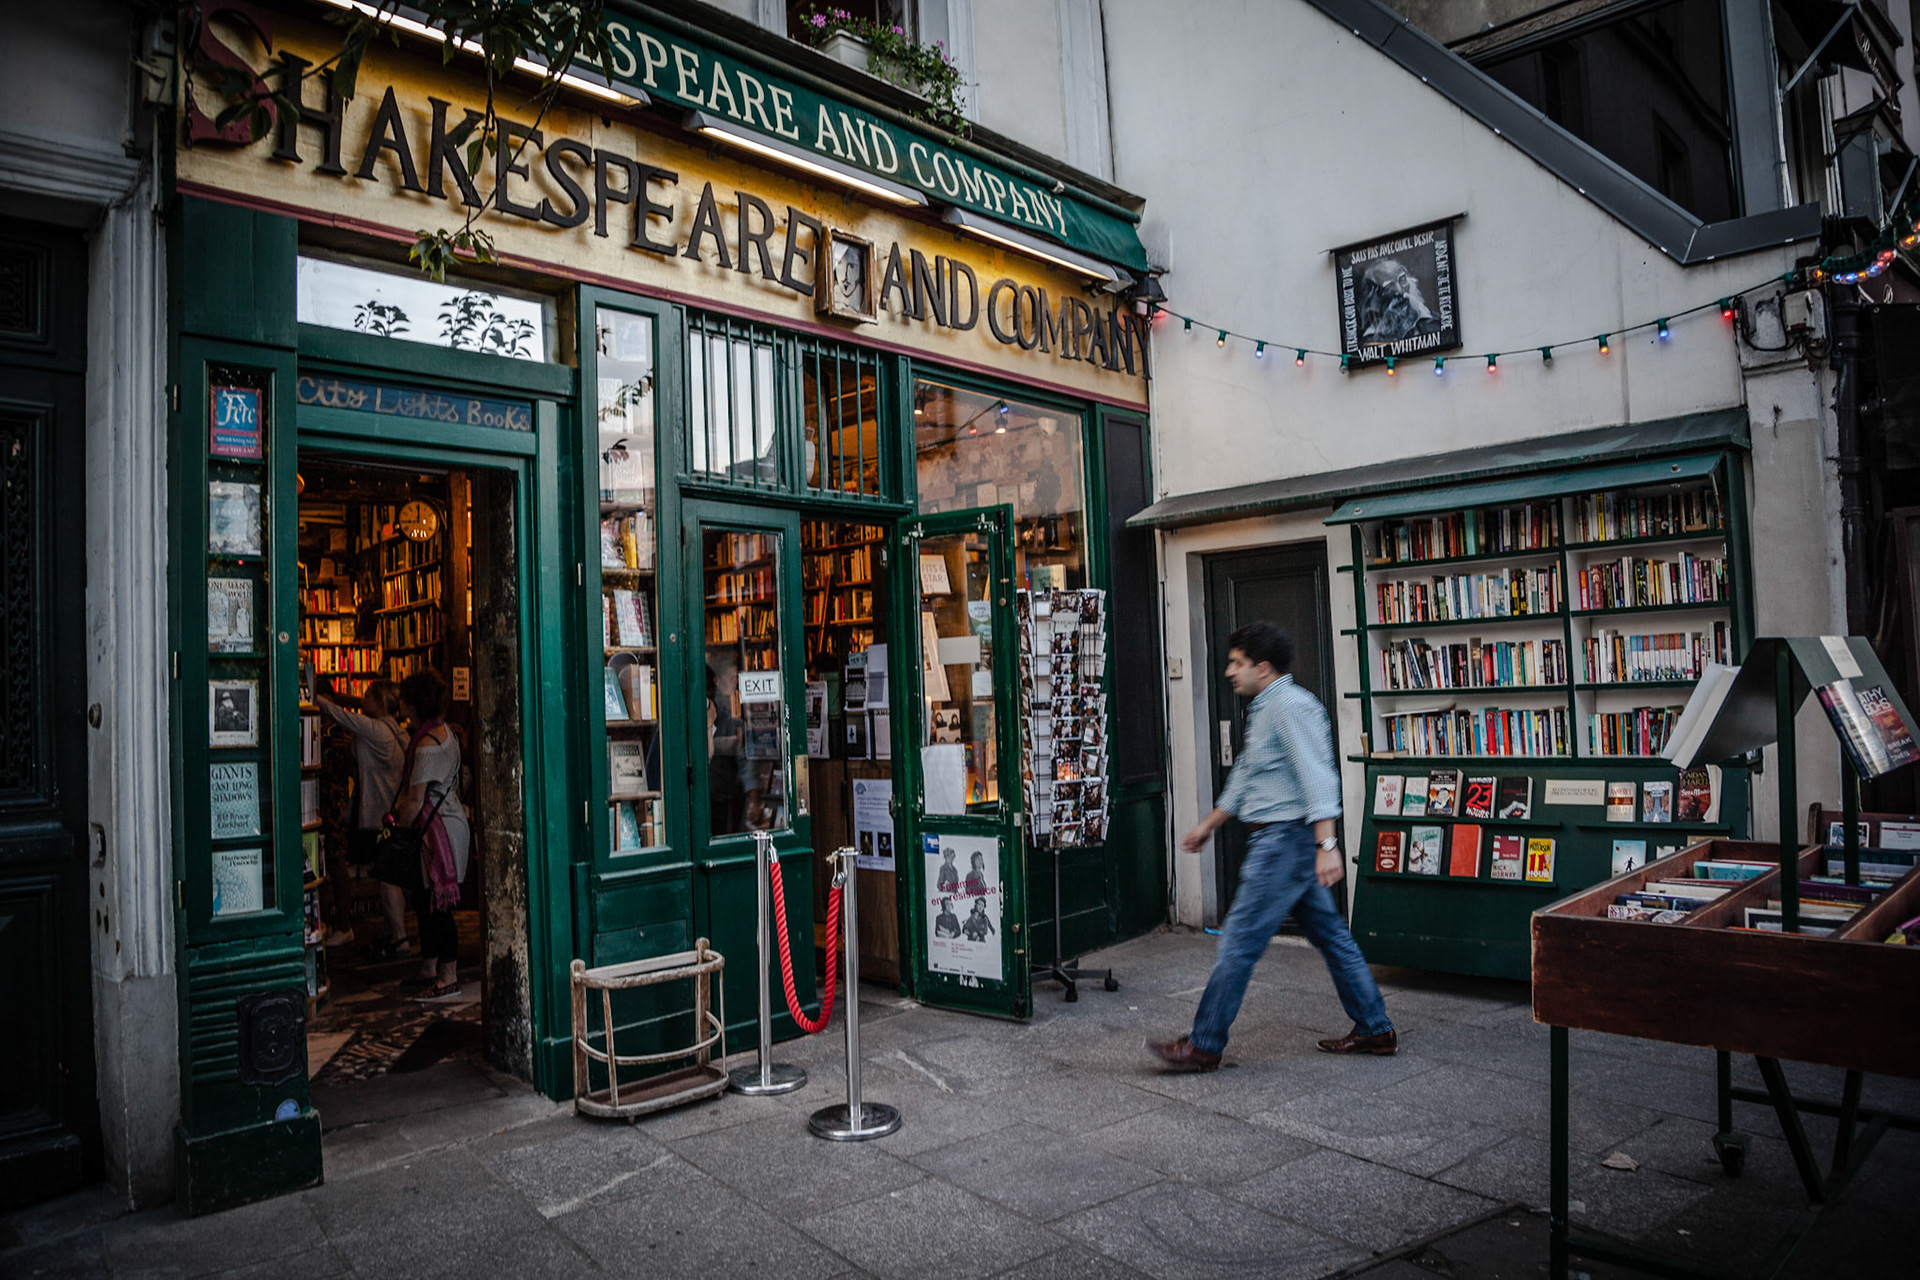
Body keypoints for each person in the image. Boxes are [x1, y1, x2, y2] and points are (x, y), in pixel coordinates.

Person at [1148, 621, 1396, 1071]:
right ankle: (1376, 1028)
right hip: (1284, 839)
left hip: (1283, 842)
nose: (1229, 671)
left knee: (1239, 942)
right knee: (1332, 936)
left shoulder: (1290, 707)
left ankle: (1204, 1044)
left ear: (1262, 668)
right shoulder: (1265, 708)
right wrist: (1210, 824)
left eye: (1237, 663)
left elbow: (1317, 775)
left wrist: (1328, 843)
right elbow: (1246, 774)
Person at [315, 679, 408, 954]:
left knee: (387, 878)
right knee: (387, 876)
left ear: (379, 701)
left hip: (379, 813)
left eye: (367, 694)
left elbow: (337, 714)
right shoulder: (397, 732)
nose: (362, 697)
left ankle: (399, 937)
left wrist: (310, 694)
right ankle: (392, 933)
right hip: (390, 812)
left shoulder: (376, 729)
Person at [393, 670, 470, 1000]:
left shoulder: (425, 746)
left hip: (437, 834)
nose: (402, 710)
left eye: (405, 703)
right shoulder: (446, 734)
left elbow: (415, 801)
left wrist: (395, 826)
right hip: (449, 824)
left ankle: (447, 975)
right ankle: (430, 966)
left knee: (437, 905)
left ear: (414, 705)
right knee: (426, 902)